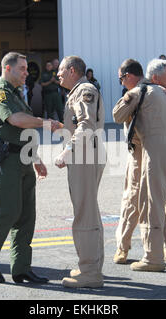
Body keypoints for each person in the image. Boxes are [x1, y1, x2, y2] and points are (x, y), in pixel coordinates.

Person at [0, 52, 61, 284]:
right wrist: (46, 123)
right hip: (8, 162)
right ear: (8, 69)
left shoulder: (16, 94)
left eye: (26, 68)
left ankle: (21, 268)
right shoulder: (0, 93)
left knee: (26, 217)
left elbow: (25, 130)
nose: (27, 72)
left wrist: (35, 158)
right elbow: (16, 121)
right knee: (8, 213)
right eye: (22, 69)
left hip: (24, 160)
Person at [113, 58, 166, 272]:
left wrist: (129, 99)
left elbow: (116, 115)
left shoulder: (140, 92)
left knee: (149, 202)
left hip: (153, 150)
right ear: (157, 77)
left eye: (121, 79)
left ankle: (153, 257)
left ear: (130, 76)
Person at [55, 56, 106, 288]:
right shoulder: (79, 90)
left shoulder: (84, 90)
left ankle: (90, 272)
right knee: (89, 211)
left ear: (72, 70)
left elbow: (86, 124)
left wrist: (69, 150)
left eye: (61, 70)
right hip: (88, 154)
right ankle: (92, 267)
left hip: (84, 155)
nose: (58, 75)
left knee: (84, 213)